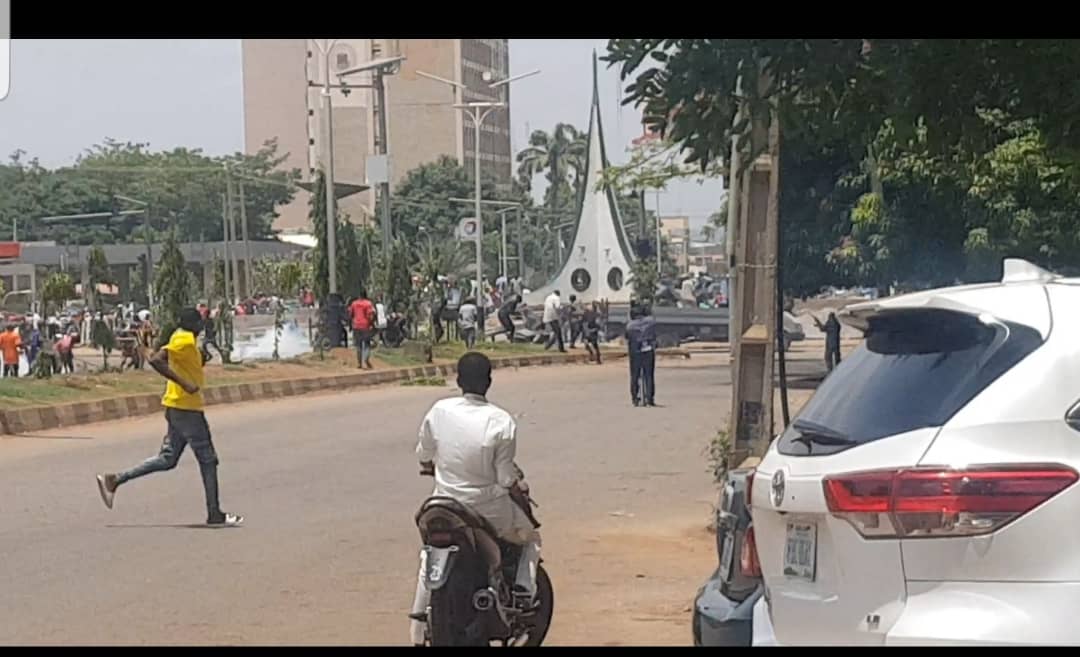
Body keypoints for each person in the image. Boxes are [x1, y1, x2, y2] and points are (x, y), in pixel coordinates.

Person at [409, 352, 541, 645]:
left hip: (443, 503)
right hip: (487, 508)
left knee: (427, 552)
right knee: (530, 539)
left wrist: (434, 465)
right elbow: (505, 477)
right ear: (489, 382)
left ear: (458, 380)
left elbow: (424, 454)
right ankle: (523, 592)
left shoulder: (439, 410)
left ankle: (418, 623)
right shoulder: (501, 421)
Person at [95, 308, 242, 527]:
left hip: (177, 406)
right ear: (192, 324)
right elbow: (156, 360)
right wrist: (185, 383)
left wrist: (199, 360)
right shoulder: (183, 339)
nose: (202, 326)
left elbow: (178, 361)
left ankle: (114, 480)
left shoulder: (184, 339)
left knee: (167, 459)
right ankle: (214, 514)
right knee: (208, 460)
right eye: (199, 323)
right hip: (186, 408)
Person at [625, 304, 658, 407]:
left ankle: (635, 398)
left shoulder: (630, 326)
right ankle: (650, 398)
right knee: (649, 375)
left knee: (635, 375)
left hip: (635, 352)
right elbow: (654, 334)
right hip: (648, 351)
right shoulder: (651, 322)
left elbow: (627, 337)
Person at [348, 289, 377, 369]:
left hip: (356, 326)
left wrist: (350, 325)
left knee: (358, 345)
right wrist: (372, 325)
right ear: (366, 295)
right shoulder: (368, 304)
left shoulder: (354, 303)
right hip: (365, 326)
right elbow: (370, 315)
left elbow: (350, 315)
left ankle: (359, 363)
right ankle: (366, 359)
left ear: (359, 296)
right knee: (367, 344)